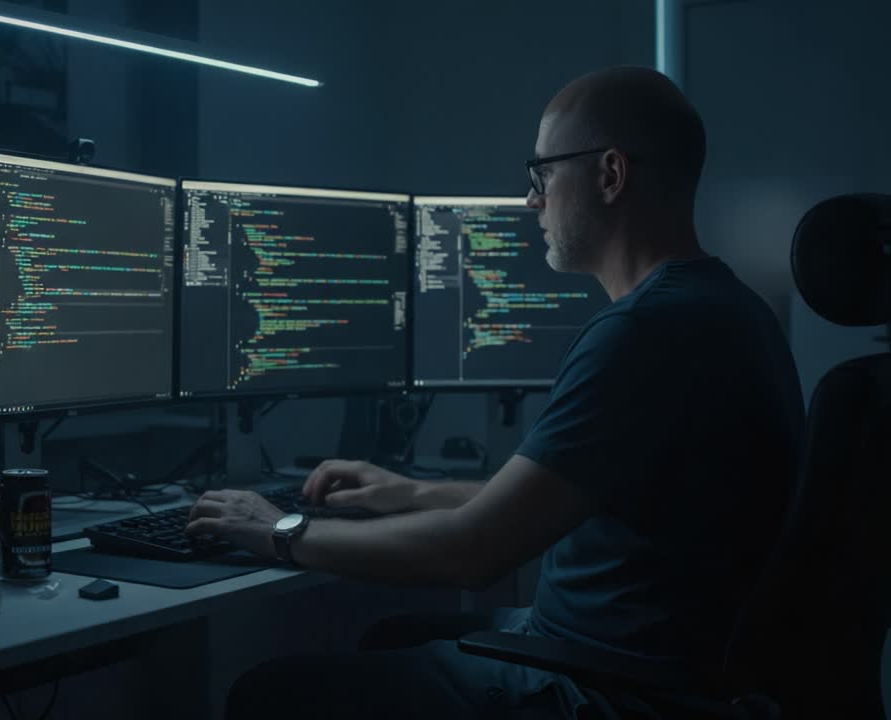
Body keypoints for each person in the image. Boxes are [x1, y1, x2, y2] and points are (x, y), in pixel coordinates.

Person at [184, 66, 805, 719]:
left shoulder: (642, 332)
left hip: (603, 689)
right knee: (388, 637)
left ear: (610, 175)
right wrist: (408, 491)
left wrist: (278, 530)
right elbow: (554, 500)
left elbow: (473, 552)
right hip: (642, 663)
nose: (531, 200)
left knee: (267, 694)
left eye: (542, 174)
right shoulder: (729, 308)